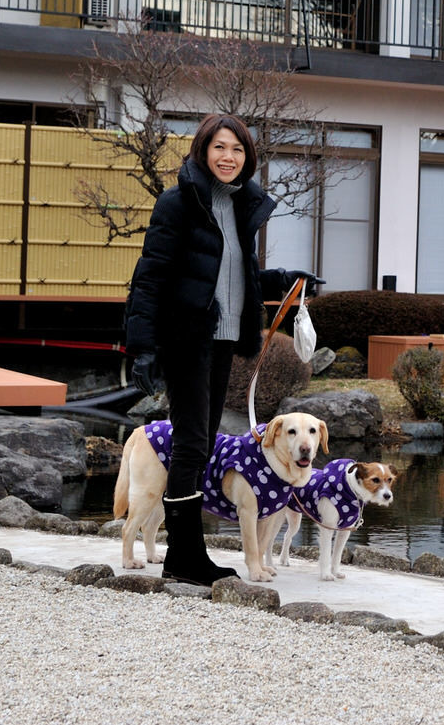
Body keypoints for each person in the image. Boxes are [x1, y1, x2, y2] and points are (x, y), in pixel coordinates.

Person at [124, 113, 320, 584]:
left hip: (224, 339)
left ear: (247, 156)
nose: (228, 157)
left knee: (205, 442)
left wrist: (282, 279)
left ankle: (182, 556)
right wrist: (142, 348)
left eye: (236, 149)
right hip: (186, 338)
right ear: (202, 151)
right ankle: (184, 556)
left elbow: (236, 275)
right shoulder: (176, 203)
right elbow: (149, 278)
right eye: (219, 147)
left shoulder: (238, 208)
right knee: (192, 443)